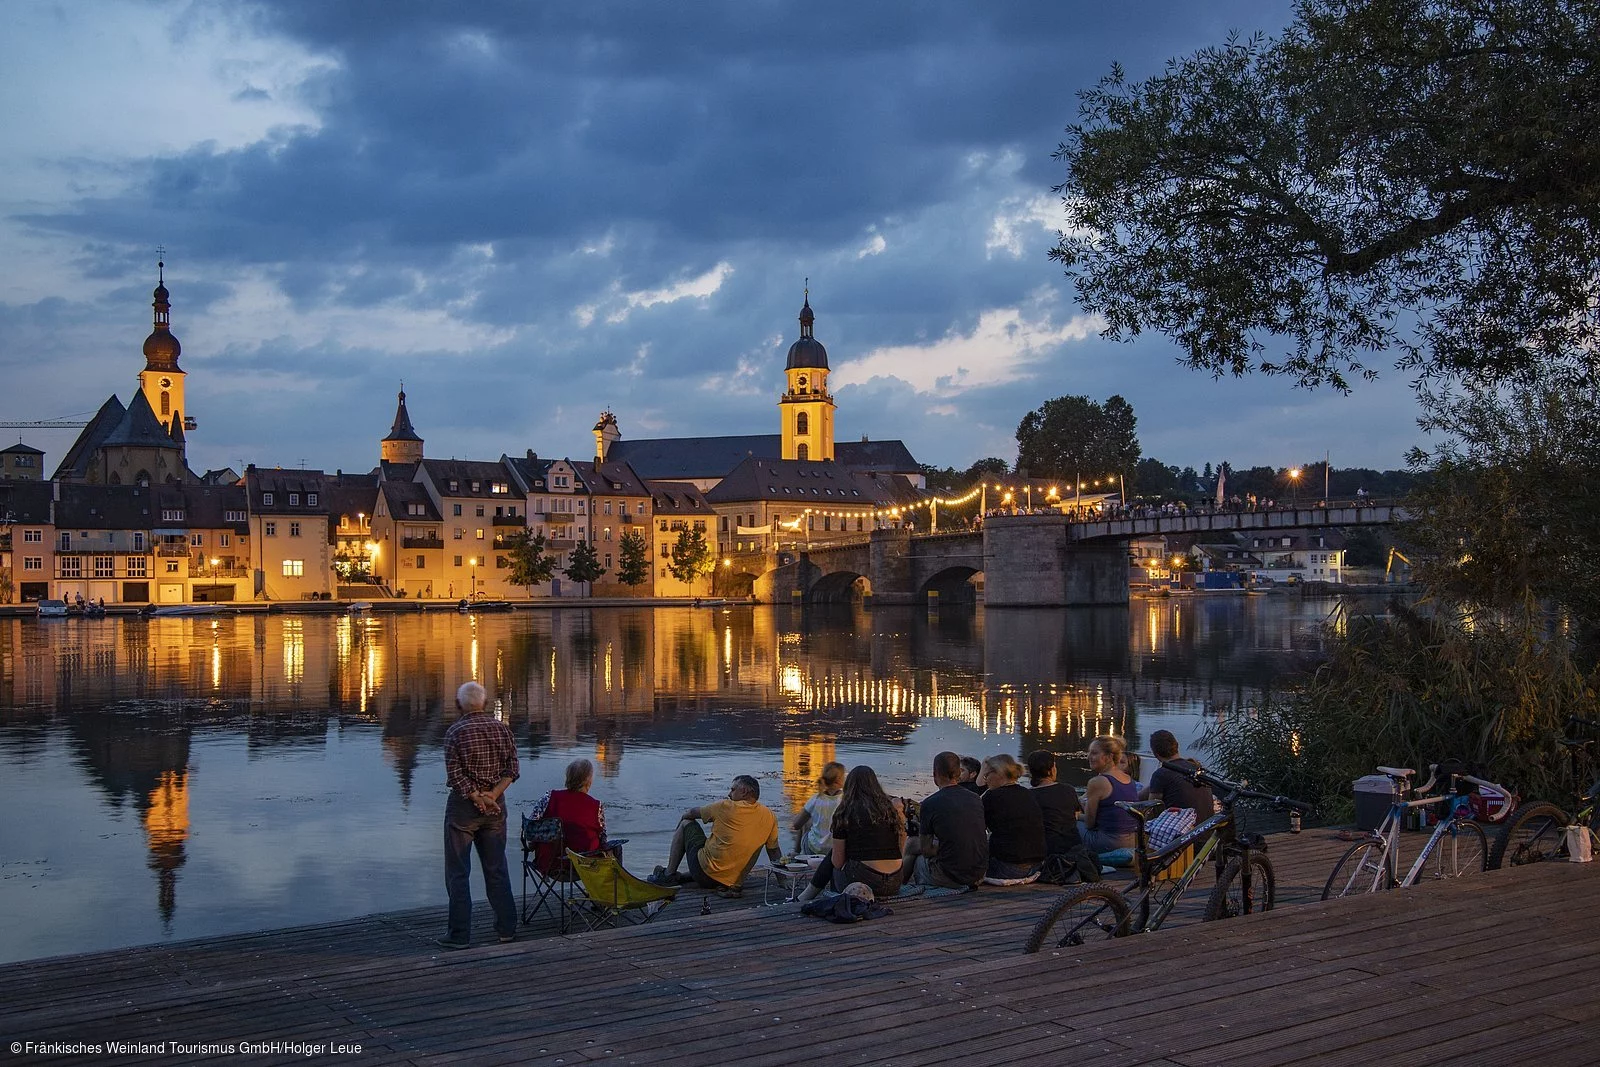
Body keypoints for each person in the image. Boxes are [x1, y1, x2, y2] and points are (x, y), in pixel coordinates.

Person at [438, 681, 519, 950]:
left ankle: (459, 934)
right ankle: (506, 930)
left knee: (458, 872)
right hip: (496, 808)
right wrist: (493, 796)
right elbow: (512, 769)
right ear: (483, 703)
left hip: (463, 810)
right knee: (497, 869)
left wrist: (476, 797)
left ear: (460, 704)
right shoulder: (502, 729)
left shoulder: (455, 732)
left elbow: (456, 776)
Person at [649, 775, 781, 894]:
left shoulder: (726, 806)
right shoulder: (770, 816)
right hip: (733, 882)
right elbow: (774, 851)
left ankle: (668, 875)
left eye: (733, 789)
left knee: (686, 823)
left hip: (704, 873)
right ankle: (682, 877)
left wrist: (680, 825)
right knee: (716, 848)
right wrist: (782, 881)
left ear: (744, 792)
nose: (729, 794)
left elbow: (691, 813)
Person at [798, 765, 907, 902]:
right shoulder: (891, 811)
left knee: (834, 856)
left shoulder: (845, 812)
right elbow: (901, 845)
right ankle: (806, 896)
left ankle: (809, 897)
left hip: (864, 880)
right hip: (894, 881)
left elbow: (837, 863)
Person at [901, 750, 987, 890]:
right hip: (978, 875)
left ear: (935, 774)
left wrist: (943, 847)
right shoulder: (975, 798)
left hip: (951, 877)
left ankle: (900, 886)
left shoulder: (931, 803)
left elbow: (927, 850)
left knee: (912, 846)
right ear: (959, 774)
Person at [528, 757, 612, 871]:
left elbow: (531, 829)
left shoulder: (549, 798)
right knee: (615, 849)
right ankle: (611, 887)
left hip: (549, 864)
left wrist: (532, 845)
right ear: (588, 781)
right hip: (585, 867)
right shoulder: (596, 806)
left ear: (568, 777)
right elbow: (603, 839)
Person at [979, 754, 1046, 879]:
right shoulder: (1028, 793)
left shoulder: (992, 797)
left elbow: (975, 829)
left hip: (1008, 868)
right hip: (1037, 865)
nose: (986, 780)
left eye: (986, 775)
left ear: (999, 774)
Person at [1081, 735, 1139, 854]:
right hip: (1132, 841)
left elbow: (1089, 823)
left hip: (1110, 842)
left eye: (1094, 753)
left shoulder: (1097, 782)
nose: (1089, 757)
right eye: (1089, 753)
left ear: (1109, 757)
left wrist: (1076, 817)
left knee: (1068, 825)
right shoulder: (1128, 779)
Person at [1141, 730, 1216, 818]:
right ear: (1177, 745)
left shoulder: (1161, 773)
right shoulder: (1196, 768)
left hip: (1183, 829)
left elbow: (1151, 810)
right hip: (1206, 827)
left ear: (1155, 753)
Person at [1025, 750, 1083, 856]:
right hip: (1071, 846)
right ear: (1051, 770)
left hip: (1044, 849)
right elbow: (1075, 816)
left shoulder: (1028, 796)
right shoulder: (1068, 790)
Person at [792, 761, 845, 855]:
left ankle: (796, 852)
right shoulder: (846, 800)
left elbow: (796, 825)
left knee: (806, 821)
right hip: (837, 849)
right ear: (839, 780)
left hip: (814, 849)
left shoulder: (815, 799)